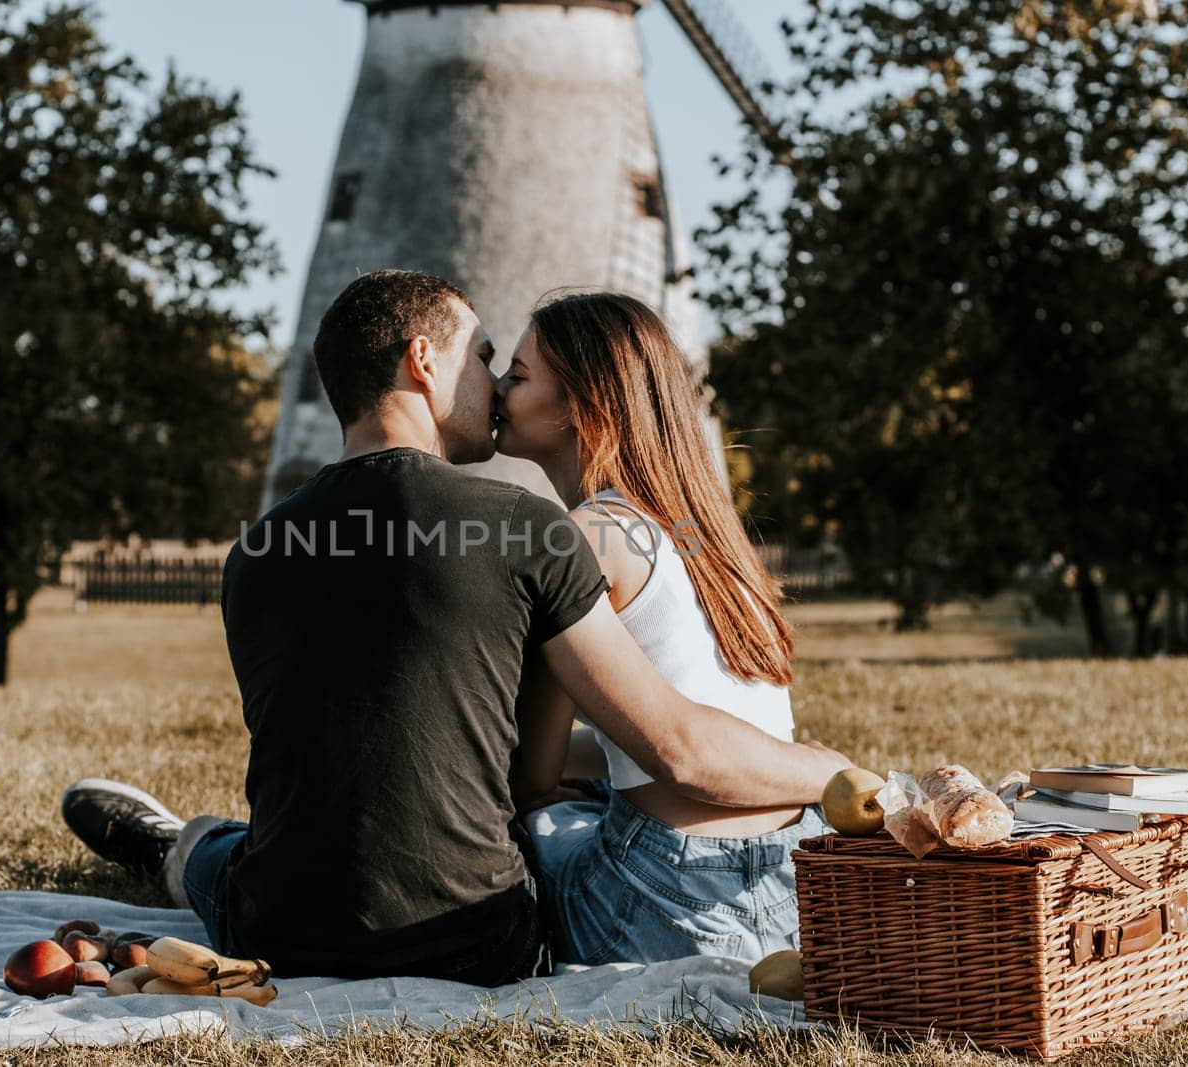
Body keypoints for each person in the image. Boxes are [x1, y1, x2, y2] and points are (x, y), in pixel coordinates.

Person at [61, 270, 849, 985]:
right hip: (488, 937)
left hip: (276, 925)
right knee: (546, 822)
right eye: (487, 360)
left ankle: (178, 845)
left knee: (223, 849)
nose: (498, 387)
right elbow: (607, 759)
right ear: (424, 362)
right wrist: (831, 772)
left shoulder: (256, 549)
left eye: (514, 370)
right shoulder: (537, 529)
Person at [496, 289, 825, 967]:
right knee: (578, 808)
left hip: (669, 895)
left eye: (519, 375)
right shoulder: (703, 533)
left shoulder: (581, 538)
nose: (497, 388)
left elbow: (534, 773)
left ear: (579, 405)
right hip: (793, 876)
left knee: (538, 825)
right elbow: (653, 723)